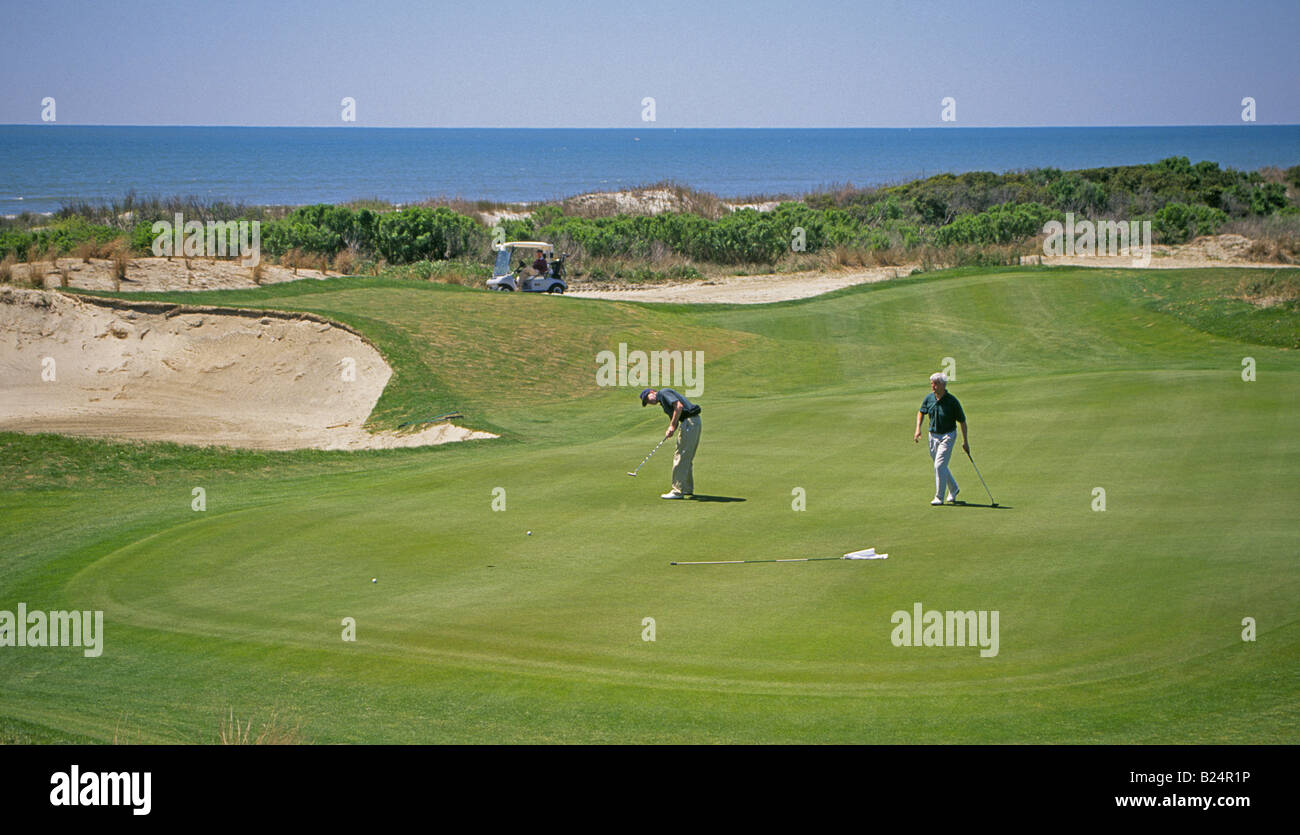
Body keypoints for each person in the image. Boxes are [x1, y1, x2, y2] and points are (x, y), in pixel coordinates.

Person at [913, 372, 968, 505]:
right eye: (932, 383)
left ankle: (939, 497)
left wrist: (965, 442)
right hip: (933, 435)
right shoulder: (929, 398)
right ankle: (954, 488)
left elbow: (962, 421)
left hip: (948, 436)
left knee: (939, 465)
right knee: (940, 466)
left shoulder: (952, 401)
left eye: (936, 383)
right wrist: (918, 429)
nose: (933, 386)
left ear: (943, 385)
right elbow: (921, 412)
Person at [641, 387, 702, 499]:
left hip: (689, 422)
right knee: (686, 457)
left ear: (652, 392)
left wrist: (672, 426)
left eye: (647, 398)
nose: (649, 402)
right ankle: (687, 488)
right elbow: (676, 416)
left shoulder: (663, 393)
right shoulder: (663, 402)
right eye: (646, 402)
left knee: (680, 456)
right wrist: (671, 430)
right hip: (691, 422)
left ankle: (677, 491)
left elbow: (679, 406)